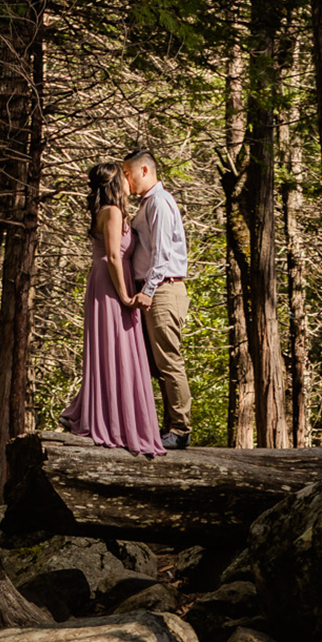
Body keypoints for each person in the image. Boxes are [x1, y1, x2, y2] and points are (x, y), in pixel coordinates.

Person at [62, 164, 166, 457]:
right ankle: (115, 425)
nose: (127, 181)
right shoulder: (111, 211)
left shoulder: (113, 211)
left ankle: (116, 419)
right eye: (123, 178)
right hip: (110, 287)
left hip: (112, 285)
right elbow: (112, 257)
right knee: (116, 351)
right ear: (114, 183)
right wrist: (124, 294)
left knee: (119, 351)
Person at [121, 148, 191, 450]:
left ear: (144, 171)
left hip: (163, 289)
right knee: (155, 363)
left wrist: (148, 291)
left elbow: (162, 253)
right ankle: (166, 426)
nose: (126, 180)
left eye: (128, 174)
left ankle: (180, 429)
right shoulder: (147, 204)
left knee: (169, 361)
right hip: (153, 289)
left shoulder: (160, 203)